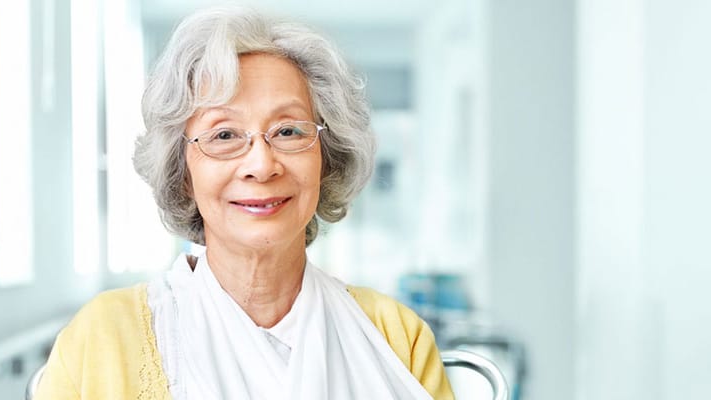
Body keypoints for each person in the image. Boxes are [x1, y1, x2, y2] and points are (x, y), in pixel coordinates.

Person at [35, 6, 453, 399]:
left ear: (327, 159)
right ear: (182, 173)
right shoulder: (102, 338)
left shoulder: (398, 337)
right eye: (224, 135)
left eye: (289, 131)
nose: (261, 164)